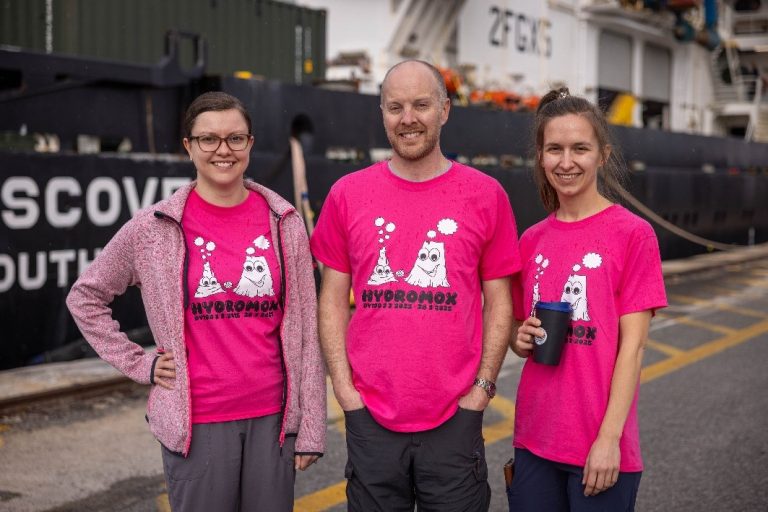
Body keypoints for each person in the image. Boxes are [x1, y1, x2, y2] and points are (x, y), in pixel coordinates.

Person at [66, 91, 325, 511]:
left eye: (235, 138)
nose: (223, 150)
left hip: (273, 422)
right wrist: (141, 363)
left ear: (250, 144)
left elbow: (305, 331)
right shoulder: (153, 228)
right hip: (198, 423)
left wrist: (311, 426)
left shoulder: (285, 223)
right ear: (188, 146)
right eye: (209, 139)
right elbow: (86, 297)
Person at [310, 59, 521, 511]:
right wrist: (345, 392)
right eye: (395, 107)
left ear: (445, 110)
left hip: (455, 417)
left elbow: (498, 302)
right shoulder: (347, 194)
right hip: (371, 417)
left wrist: (482, 389)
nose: (408, 118)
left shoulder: (487, 195)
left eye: (421, 105)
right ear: (382, 114)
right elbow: (330, 301)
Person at [508, 87, 668, 511]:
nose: (566, 162)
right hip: (534, 440)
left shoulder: (633, 235)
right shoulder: (531, 241)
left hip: (599, 445)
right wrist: (518, 338)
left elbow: (632, 350)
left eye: (580, 148)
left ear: (602, 154)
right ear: (541, 157)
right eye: (554, 149)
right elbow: (516, 331)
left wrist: (609, 440)